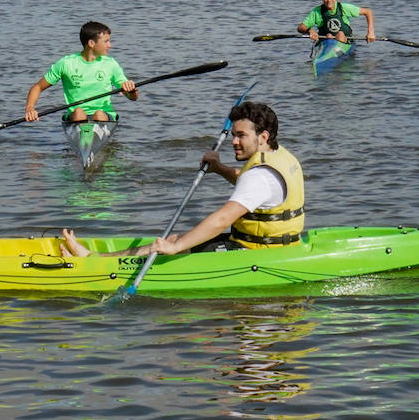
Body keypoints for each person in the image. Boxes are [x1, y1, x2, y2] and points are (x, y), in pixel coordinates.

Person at [61, 101, 304, 257]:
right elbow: (256, 190)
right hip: (279, 245)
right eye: (233, 135)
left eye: (241, 136)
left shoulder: (259, 175)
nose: (234, 141)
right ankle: (100, 257)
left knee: (173, 244)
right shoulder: (278, 156)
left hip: (254, 252)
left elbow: (222, 219)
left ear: (262, 136)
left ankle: (94, 261)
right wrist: (219, 169)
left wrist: (175, 247)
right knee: (181, 240)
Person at [25, 21, 138, 123]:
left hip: (104, 115)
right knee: (79, 112)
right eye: (106, 41)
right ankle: (85, 141)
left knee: (98, 114)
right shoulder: (66, 63)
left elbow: (133, 98)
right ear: (91, 43)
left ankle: (93, 140)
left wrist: (131, 91)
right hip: (76, 116)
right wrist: (30, 108)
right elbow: (38, 87)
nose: (110, 45)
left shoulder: (111, 64)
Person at [297, 0, 376, 44]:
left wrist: (370, 32)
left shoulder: (344, 8)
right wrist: (310, 31)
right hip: (326, 41)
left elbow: (368, 12)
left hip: (344, 40)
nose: (329, 0)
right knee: (329, 36)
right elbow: (301, 27)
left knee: (340, 34)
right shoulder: (317, 11)